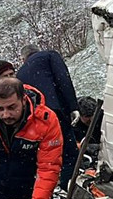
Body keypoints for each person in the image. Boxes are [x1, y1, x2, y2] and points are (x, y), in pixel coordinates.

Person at [18, 45, 80, 188]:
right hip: (54, 112)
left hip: (35, 121)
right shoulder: (49, 56)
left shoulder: (19, 74)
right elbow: (63, 78)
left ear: (23, 58)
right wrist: (73, 106)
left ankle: (52, 192)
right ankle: (69, 189)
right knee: (70, 154)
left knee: (49, 159)